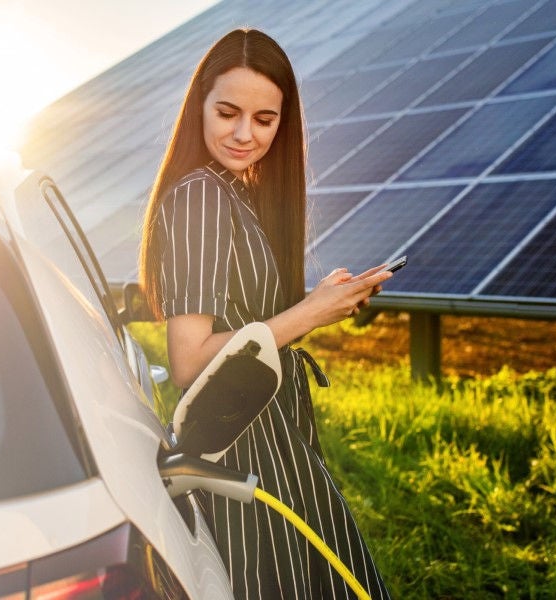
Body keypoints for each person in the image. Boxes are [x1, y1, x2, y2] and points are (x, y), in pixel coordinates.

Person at [139, 28, 392, 600]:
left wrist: (313, 302)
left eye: (265, 119)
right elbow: (188, 360)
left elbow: (245, 320)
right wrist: (311, 314)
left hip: (268, 427)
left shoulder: (234, 193)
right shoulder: (199, 195)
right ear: (198, 105)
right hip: (246, 437)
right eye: (227, 112)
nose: (244, 134)